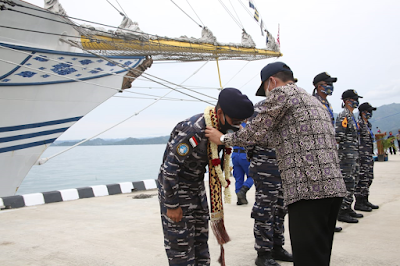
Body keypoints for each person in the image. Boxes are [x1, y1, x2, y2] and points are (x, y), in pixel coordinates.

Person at [206, 62, 346, 266]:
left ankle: (272, 249)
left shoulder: (282, 95)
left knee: (308, 258)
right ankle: (267, 250)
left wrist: (223, 139)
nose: (267, 95)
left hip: (309, 190)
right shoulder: (313, 101)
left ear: (271, 82)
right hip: (333, 189)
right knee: (320, 255)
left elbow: (254, 133)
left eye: (265, 89)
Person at [157, 88, 254, 266]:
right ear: (219, 113)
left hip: (196, 189)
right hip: (177, 190)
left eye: (241, 122)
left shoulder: (220, 131)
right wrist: (172, 205)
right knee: (181, 249)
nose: (237, 126)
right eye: (235, 121)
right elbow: (169, 169)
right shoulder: (194, 130)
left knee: (200, 245)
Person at [246, 100, 293, 266]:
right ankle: (263, 253)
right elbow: (249, 140)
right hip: (265, 165)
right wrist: (260, 160)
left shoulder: (289, 108)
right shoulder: (260, 109)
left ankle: (277, 247)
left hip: (284, 166)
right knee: (265, 210)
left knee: (281, 208)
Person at [312, 71, 342, 233]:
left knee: (330, 189)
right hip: (319, 152)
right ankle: (321, 222)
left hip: (330, 151)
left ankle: (328, 221)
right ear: (319, 86)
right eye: (328, 83)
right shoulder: (314, 102)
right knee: (320, 190)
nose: (330, 87)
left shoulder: (327, 103)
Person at [335, 89, 364, 223]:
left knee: (353, 181)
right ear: (347, 101)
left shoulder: (352, 116)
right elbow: (338, 137)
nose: (356, 102)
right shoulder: (344, 116)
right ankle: (342, 210)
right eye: (354, 99)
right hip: (346, 156)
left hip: (354, 155)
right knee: (346, 183)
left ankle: (348, 207)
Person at [355, 102, 379, 211]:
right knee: (362, 178)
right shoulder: (358, 124)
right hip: (361, 156)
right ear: (363, 112)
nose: (370, 113)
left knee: (369, 178)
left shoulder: (368, 124)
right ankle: (359, 202)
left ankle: (365, 200)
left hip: (369, 154)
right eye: (368, 111)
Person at [232, 136, 254, 205]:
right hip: (245, 155)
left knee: (238, 178)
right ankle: (243, 190)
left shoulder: (234, 126)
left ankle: (240, 199)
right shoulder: (247, 126)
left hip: (235, 155)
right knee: (252, 175)